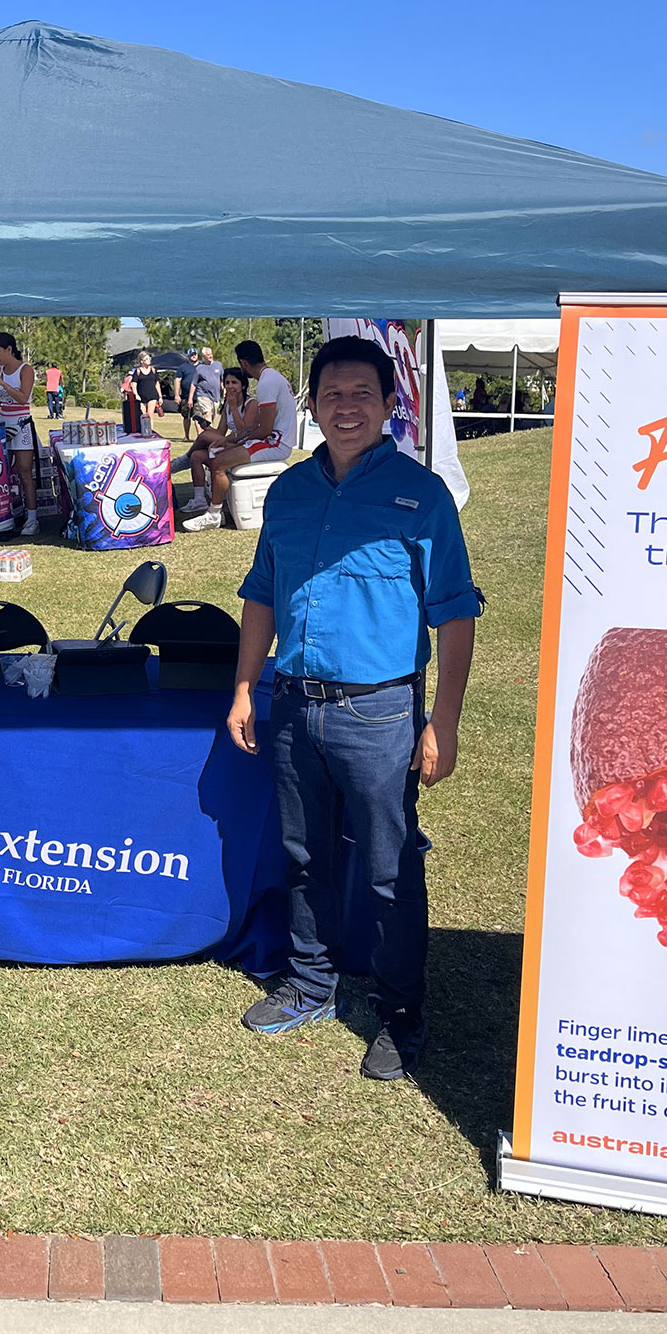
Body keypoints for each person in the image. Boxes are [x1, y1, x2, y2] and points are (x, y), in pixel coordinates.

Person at [226, 334, 480, 1081]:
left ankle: (402, 1011)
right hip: (295, 704)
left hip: (380, 714)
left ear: (390, 405)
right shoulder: (290, 492)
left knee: (387, 866)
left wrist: (445, 721)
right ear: (313, 405)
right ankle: (310, 981)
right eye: (332, 394)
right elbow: (262, 595)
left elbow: (455, 612)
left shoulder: (420, 496)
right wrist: (246, 687)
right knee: (304, 856)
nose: (347, 408)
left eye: (362, 394)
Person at [181, 339, 294, 531]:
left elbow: (264, 431)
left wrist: (233, 445)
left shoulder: (266, 384)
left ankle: (214, 515)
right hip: (275, 440)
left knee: (219, 462)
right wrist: (232, 441)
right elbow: (255, 430)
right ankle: (217, 508)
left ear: (243, 363)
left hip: (276, 442)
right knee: (218, 456)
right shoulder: (273, 378)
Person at [0, 331, 39, 536]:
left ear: (9, 349)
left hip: (22, 424)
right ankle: (6, 514)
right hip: (2, 424)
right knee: (2, 472)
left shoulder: (25, 370)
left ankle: (32, 518)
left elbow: (23, 398)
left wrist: (3, 384)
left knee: (25, 471)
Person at [179, 366, 256, 513]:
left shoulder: (251, 403)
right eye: (227, 383)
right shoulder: (228, 404)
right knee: (197, 455)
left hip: (244, 445)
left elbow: (245, 431)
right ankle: (199, 499)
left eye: (234, 382)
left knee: (203, 436)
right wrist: (207, 426)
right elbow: (220, 432)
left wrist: (234, 408)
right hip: (230, 441)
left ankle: (183, 460)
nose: (230, 386)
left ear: (243, 385)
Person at [187, 344, 223, 435]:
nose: (210, 356)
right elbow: (194, 384)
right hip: (203, 395)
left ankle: (204, 433)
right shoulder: (200, 368)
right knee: (207, 413)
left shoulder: (218, 365)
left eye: (211, 354)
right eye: (208, 355)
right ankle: (208, 435)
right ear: (204, 357)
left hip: (215, 396)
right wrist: (190, 398)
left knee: (212, 416)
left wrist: (225, 391)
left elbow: (222, 380)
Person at [132, 352, 163, 435]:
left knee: (150, 415)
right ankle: (143, 431)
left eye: (149, 358)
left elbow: (157, 383)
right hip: (141, 396)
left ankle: (150, 432)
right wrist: (136, 394)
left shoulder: (153, 370)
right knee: (143, 415)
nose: (148, 360)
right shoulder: (137, 371)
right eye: (146, 359)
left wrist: (160, 396)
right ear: (142, 361)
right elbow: (134, 384)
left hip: (152, 395)